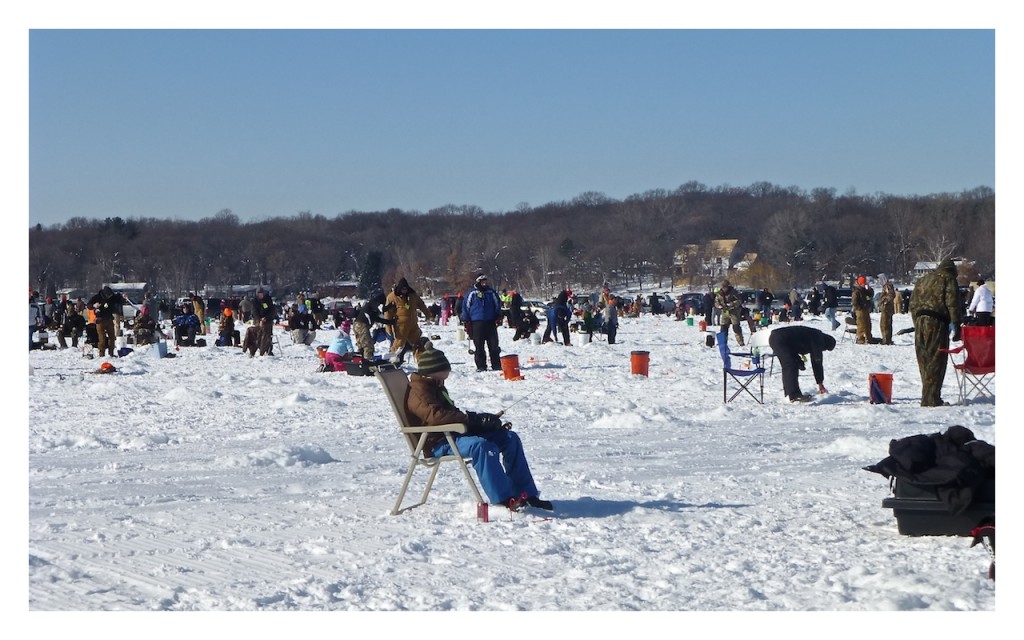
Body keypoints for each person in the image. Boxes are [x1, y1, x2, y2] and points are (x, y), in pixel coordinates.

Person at [405, 342, 553, 512]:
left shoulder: (434, 385)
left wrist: (482, 421)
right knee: (482, 447)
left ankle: (527, 494)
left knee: (510, 438)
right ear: (430, 374)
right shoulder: (418, 392)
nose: (443, 382)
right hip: (438, 442)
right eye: (441, 378)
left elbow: (451, 413)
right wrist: (471, 421)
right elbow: (436, 416)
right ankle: (504, 498)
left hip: (454, 433)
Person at [909, 258, 963, 407]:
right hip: (937, 322)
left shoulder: (923, 279)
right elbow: (952, 303)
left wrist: (917, 322)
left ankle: (928, 396)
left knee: (924, 360)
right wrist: (957, 326)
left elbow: (912, 304)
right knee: (936, 360)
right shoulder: (948, 279)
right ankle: (931, 398)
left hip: (920, 320)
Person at [768, 325, 837, 402]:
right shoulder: (818, 339)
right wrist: (820, 382)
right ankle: (794, 395)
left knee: (791, 363)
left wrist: (799, 362)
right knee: (790, 365)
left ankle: (791, 393)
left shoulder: (815, 334)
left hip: (777, 337)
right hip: (780, 339)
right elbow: (816, 361)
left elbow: (794, 346)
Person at [385, 277, 433, 364]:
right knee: (398, 345)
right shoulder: (392, 297)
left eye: (405, 289)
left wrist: (428, 314)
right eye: (402, 289)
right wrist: (388, 327)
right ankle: (390, 361)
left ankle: (421, 361)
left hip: (413, 324)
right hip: (400, 326)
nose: (404, 291)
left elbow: (421, 304)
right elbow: (387, 313)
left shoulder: (412, 295)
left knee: (418, 343)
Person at [461, 274, 503, 371]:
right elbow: (465, 307)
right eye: (482, 281)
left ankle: (496, 365)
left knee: (493, 345)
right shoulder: (472, 293)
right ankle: (481, 366)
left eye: (486, 281)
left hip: (490, 322)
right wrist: (466, 320)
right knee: (479, 345)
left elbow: (497, 304)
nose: (485, 283)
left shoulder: (491, 292)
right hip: (476, 322)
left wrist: (498, 315)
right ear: (478, 282)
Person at [88, 285, 126, 357]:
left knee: (112, 337)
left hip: (109, 319)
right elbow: (88, 305)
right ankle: (101, 354)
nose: (109, 297)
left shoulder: (112, 297)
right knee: (102, 338)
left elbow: (119, 299)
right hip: (100, 320)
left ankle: (111, 353)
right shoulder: (97, 297)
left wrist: (123, 298)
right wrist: (93, 306)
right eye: (108, 295)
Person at [715, 279, 745, 346]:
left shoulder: (733, 292)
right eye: (723, 287)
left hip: (733, 312)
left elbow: (739, 300)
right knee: (723, 328)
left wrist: (732, 304)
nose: (724, 288)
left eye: (725, 287)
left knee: (736, 327)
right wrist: (719, 306)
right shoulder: (719, 294)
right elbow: (716, 302)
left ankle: (740, 342)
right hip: (724, 312)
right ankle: (723, 342)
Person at [851, 276, 875, 344]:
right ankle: (860, 339)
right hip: (860, 310)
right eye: (863, 283)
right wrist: (859, 307)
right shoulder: (856, 291)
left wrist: (869, 289)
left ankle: (869, 338)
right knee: (861, 325)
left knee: (868, 324)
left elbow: (870, 295)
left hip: (866, 309)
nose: (864, 284)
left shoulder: (864, 290)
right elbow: (854, 301)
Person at [878, 279, 897, 345]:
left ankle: (886, 340)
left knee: (884, 324)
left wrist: (885, 301)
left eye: (880, 280)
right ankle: (887, 339)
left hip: (886, 309)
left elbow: (891, 295)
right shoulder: (886, 286)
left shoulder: (887, 286)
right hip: (887, 308)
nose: (879, 281)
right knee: (887, 324)